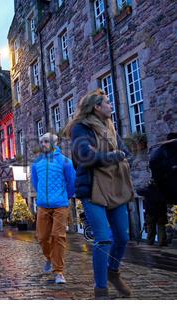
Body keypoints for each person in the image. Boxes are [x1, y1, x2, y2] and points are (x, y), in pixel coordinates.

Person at [65, 88, 134, 299]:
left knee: (122, 236)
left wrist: (113, 157)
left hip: (115, 186)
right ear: (96, 107)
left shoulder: (110, 127)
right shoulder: (80, 128)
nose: (111, 105)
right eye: (107, 102)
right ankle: (101, 288)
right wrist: (113, 156)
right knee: (103, 239)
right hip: (91, 188)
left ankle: (113, 272)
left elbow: (127, 153)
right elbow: (85, 155)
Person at [31, 132, 76, 285]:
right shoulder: (36, 164)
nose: (43, 144)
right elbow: (35, 183)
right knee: (42, 237)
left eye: (45, 141)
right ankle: (49, 258)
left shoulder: (65, 162)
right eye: (41, 141)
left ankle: (59, 272)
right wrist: (43, 196)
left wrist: (64, 197)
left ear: (54, 143)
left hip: (60, 205)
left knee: (58, 237)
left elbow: (71, 183)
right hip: (43, 205)